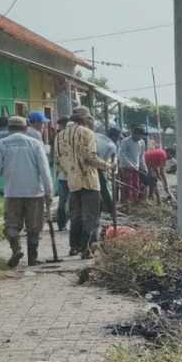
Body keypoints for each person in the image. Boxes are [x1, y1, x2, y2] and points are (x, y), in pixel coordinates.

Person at [0, 116, 52, 267]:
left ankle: (16, 249)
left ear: (9, 129)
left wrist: (7, 171)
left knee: (11, 225)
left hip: (12, 192)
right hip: (34, 192)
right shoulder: (35, 144)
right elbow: (44, 170)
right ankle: (32, 259)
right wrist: (49, 192)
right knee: (34, 227)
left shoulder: (1, 144)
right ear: (25, 128)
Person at [55, 106, 111, 258]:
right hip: (90, 181)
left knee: (76, 216)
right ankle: (87, 248)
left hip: (72, 182)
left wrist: (71, 173)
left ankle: (74, 247)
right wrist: (107, 166)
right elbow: (90, 158)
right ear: (85, 119)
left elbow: (59, 162)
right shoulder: (87, 133)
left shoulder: (59, 136)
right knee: (91, 216)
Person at [93, 122, 117, 215]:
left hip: (86, 165)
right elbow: (106, 162)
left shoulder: (97, 135)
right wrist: (109, 170)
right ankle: (111, 210)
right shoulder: (112, 145)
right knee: (104, 189)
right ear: (115, 137)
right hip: (98, 166)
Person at [117, 126, 146, 204]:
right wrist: (130, 165)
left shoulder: (142, 142)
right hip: (126, 167)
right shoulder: (125, 141)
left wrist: (144, 167)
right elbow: (122, 155)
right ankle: (126, 203)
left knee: (136, 185)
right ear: (133, 134)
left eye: (141, 136)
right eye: (139, 135)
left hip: (136, 168)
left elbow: (141, 156)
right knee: (127, 185)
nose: (140, 137)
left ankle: (134, 202)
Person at [53, 117, 71, 231]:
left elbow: (56, 158)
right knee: (70, 201)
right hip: (72, 175)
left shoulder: (58, 137)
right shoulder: (75, 136)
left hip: (63, 175)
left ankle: (62, 224)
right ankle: (64, 223)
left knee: (63, 200)